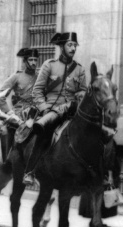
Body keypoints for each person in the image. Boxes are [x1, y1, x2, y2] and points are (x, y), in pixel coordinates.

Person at [23, 32, 87, 185]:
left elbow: (83, 91)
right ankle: (30, 171)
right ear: (61, 46)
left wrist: (81, 94)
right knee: (44, 134)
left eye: (74, 45)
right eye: (69, 45)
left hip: (72, 111)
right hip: (51, 111)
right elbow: (37, 91)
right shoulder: (49, 65)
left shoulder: (79, 69)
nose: (72, 48)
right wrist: (44, 108)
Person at [0, 48, 39, 156]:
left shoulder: (40, 77)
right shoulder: (16, 77)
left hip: (36, 112)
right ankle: (8, 158)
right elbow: (0, 95)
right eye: (30, 60)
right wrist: (9, 112)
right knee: (9, 130)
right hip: (19, 112)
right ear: (25, 61)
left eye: (35, 59)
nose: (33, 62)